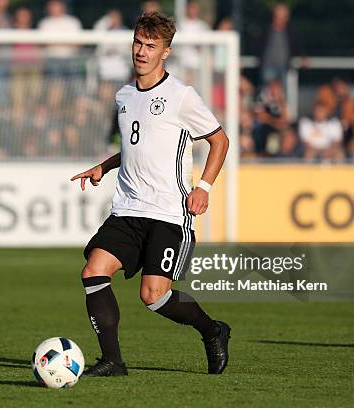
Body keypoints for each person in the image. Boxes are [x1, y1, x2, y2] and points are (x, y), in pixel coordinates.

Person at [70, 12, 231, 377]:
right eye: (138, 43)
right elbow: (135, 147)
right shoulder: (124, 94)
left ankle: (212, 330)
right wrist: (104, 166)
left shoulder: (181, 96)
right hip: (127, 207)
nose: (141, 52)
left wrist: (203, 186)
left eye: (151, 46)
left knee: (154, 297)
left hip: (169, 212)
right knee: (93, 271)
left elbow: (219, 140)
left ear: (166, 52)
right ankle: (112, 361)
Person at [256, 3, 301, 87]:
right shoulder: (265, 30)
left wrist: (302, 57)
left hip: (284, 68)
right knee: (267, 95)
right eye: (278, 16)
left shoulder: (291, 32)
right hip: (268, 67)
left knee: (282, 95)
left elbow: (297, 47)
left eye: (284, 16)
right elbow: (256, 46)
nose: (281, 19)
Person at [37, 0, 82, 77]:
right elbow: (43, 44)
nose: (53, 8)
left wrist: (55, 43)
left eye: (56, 5)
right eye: (52, 5)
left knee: (74, 83)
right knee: (54, 84)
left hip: (71, 58)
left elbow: (77, 44)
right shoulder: (44, 23)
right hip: (52, 59)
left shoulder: (72, 22)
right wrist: (66, 43)